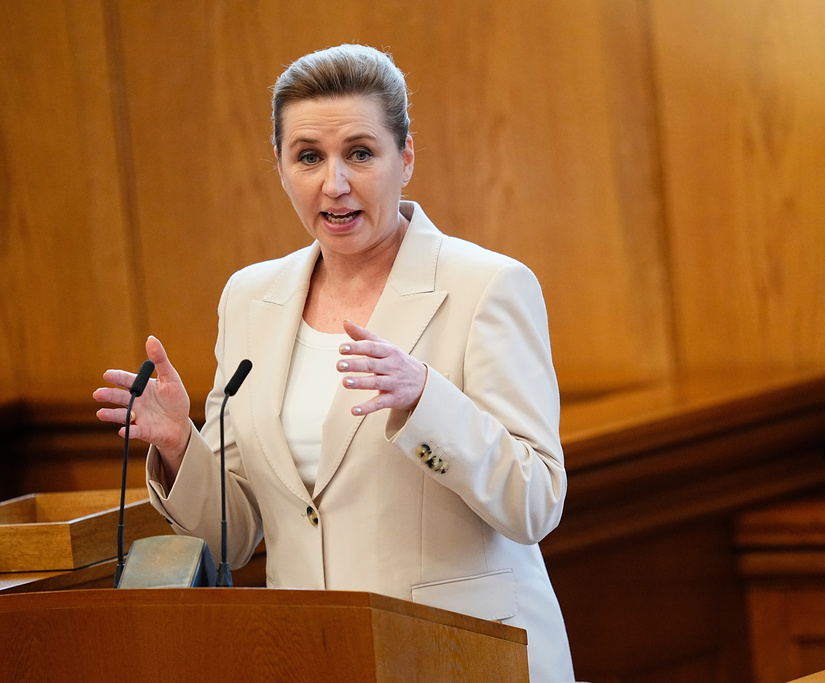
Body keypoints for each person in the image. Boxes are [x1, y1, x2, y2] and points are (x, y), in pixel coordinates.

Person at [94, 44, 575, 681]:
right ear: (280, 165)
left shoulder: (488, 286)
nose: (335, 183)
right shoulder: (249, 298)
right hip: (311, 656)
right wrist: (183, 444)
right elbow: (233, 537)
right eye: (309, 157)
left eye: (360, 153)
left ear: (406, 156)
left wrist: (425, 399)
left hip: (463, 657)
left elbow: (535, 502)